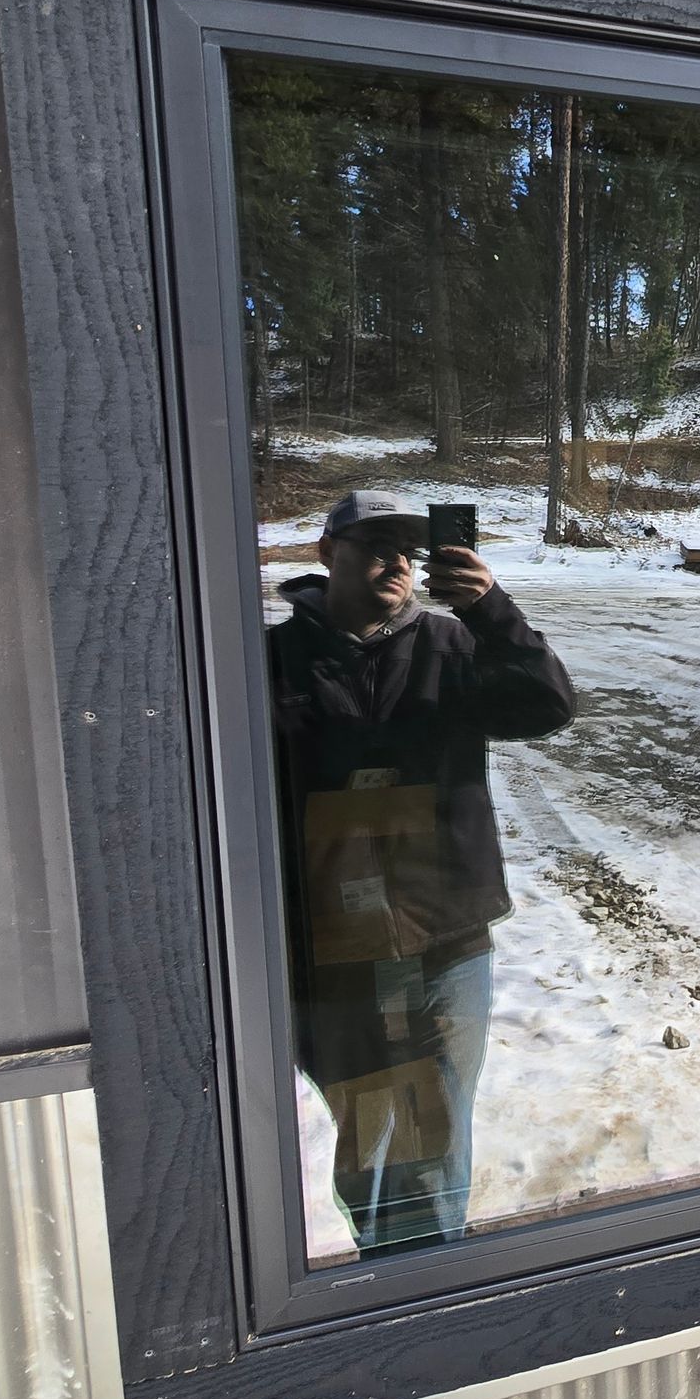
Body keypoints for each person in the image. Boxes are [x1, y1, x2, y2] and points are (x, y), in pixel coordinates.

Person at [268, 489, 575, 1254]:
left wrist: (489, 609)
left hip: (445, 936)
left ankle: (430, 1279)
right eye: (375, 546)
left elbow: (548, 706)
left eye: (406, 549)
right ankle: (387, 1269)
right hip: (330, 947)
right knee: (370, 1127)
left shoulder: (452, 645)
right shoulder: (272, 661)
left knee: (434, 1127)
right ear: (326, 554)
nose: (396, 562)